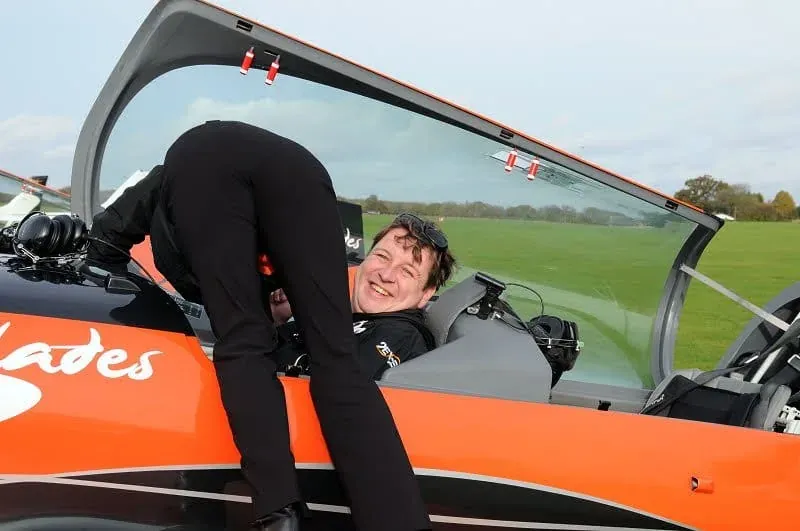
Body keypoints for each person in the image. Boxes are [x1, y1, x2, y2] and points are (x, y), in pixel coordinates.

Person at [84, 120, 431, 531]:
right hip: (303, 172)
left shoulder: (185, 177)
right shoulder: (179, 183)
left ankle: (282, 513)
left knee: (245, 339)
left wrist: (96, 276)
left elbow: (105, 241)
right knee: (336, 362)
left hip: (212, 153)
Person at [268, 213, 456, 379]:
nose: (386, 275)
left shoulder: (401, 338)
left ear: (426, 294)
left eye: (406, 271)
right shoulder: (347, 316)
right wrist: (278, 317)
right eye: (382, 256)